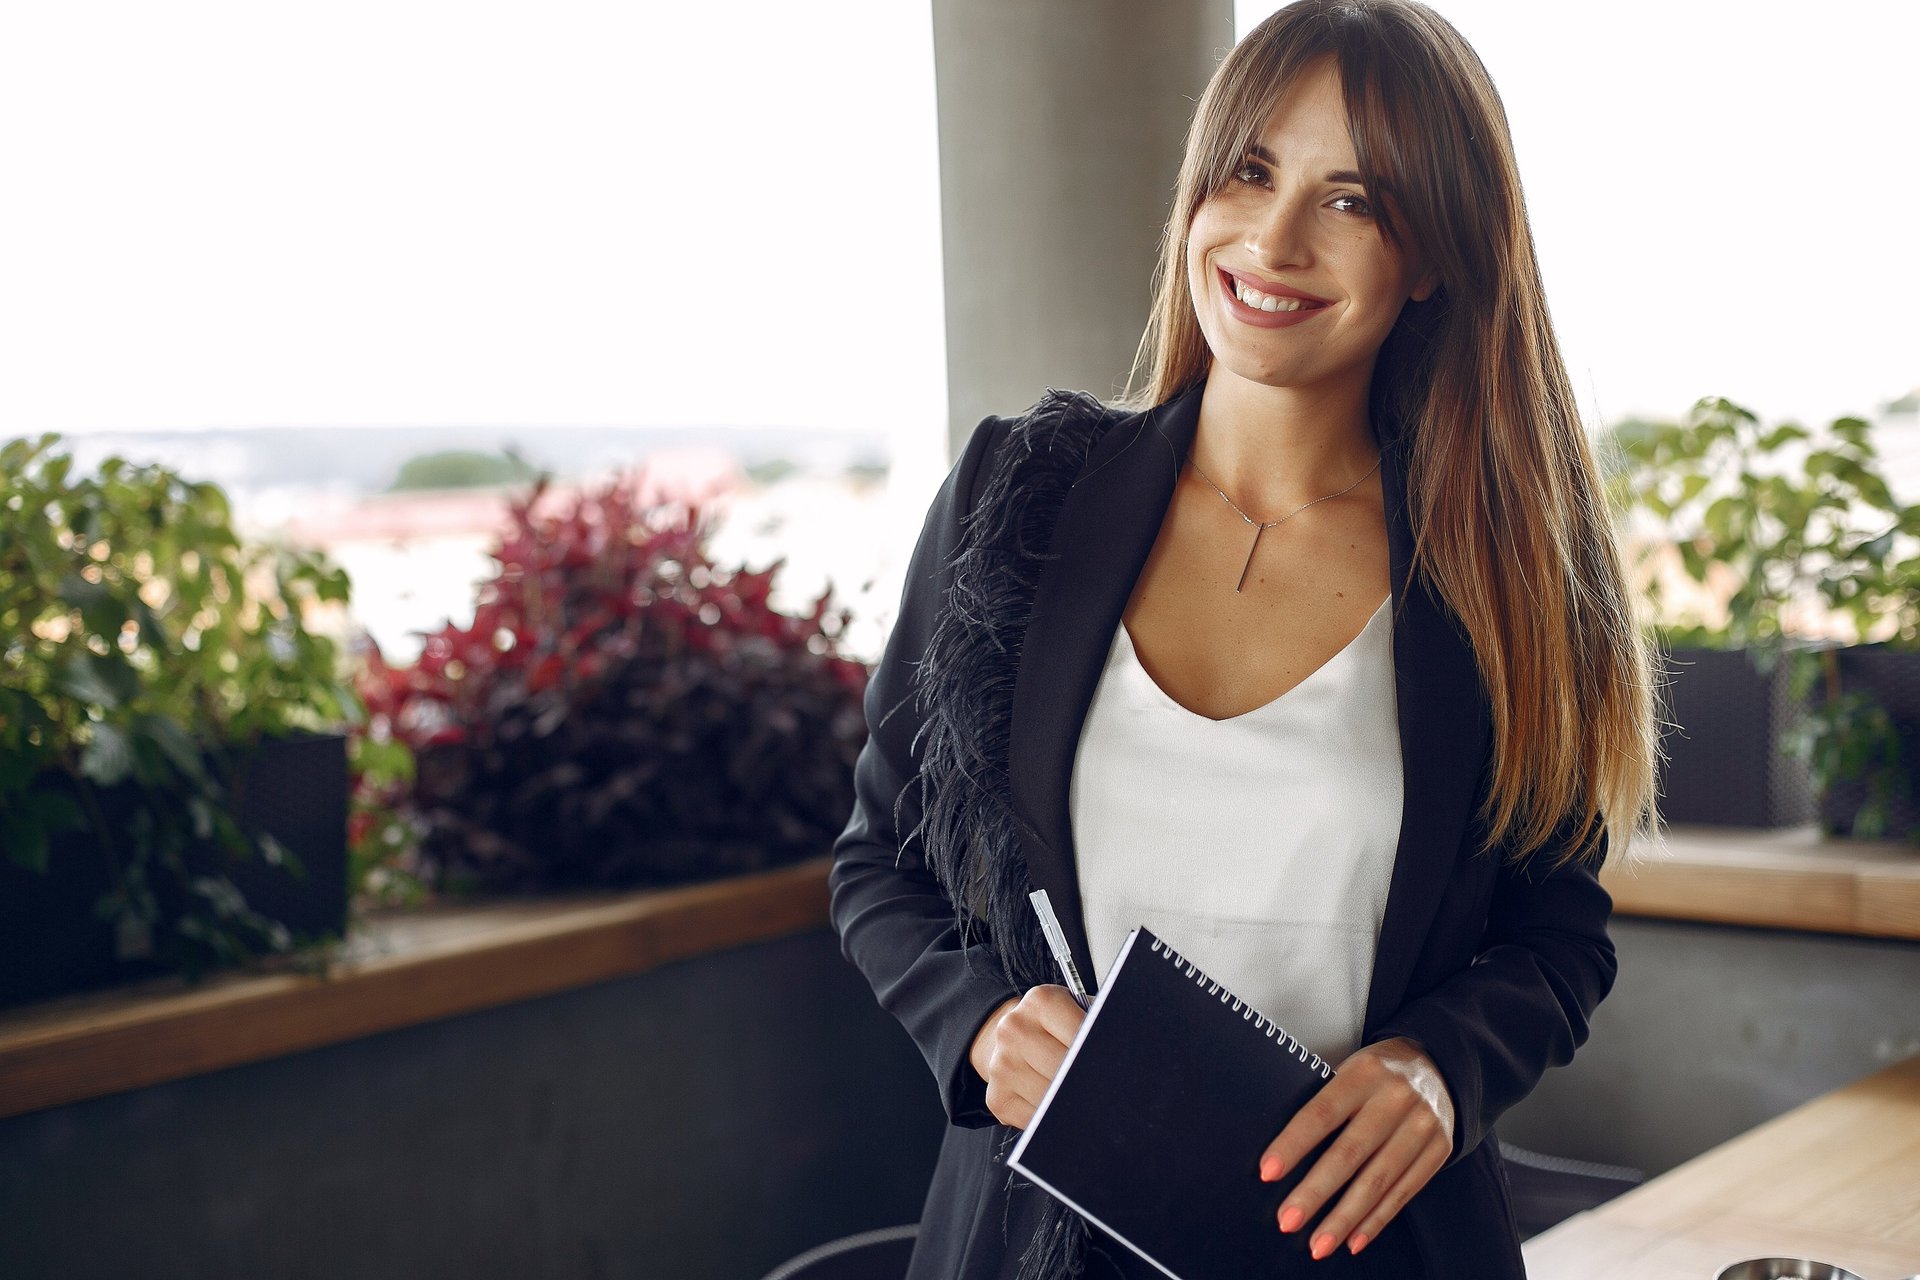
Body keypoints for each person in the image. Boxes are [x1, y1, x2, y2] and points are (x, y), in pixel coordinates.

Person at [828, 1, 1658, 1277]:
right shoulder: (1015, 502)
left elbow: (1559, 934)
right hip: (1030, 1238)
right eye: (1251, 170)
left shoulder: (1507, 576)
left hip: (1368, 1244)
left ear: (1432, 255)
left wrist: (1442, 1070)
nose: (1272, 238)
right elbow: (879, 863)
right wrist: (980, 1024)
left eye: (1354, 199)